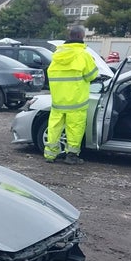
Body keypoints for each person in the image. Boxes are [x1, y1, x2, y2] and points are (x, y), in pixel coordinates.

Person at [44, 25, 99, 165]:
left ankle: (50, 155)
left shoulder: (57, 55)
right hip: (76, 101)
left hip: (58, 100)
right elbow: (92, 76)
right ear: (81, 36)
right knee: (75, 129)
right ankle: (71, 156)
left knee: (54, 127)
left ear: (70, 36)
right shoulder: (84, 55)